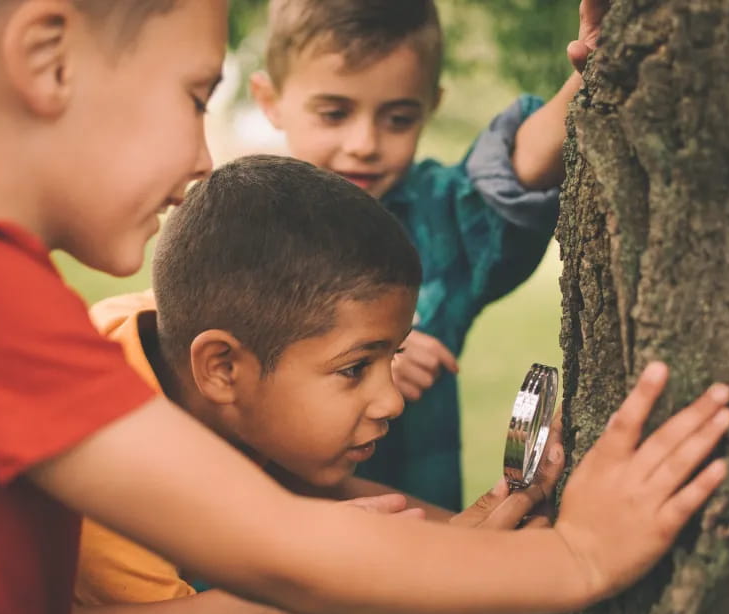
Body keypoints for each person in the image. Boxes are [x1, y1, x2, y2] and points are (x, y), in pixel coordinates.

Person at [0, 1, 729, 614]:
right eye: (194, 97)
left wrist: (467, 551)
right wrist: (578, 558)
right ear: (47, 60)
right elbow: (274, 542)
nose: (201, 159)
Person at [64, 154, 559, 614]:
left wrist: (488, 546)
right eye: (355, 368)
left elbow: (286, 481)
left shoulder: (175, 345)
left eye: (392, 356)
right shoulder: (111, 515)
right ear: (221, 367)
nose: (392, 401)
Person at [250, 0, 598, 511]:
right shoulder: (240, 234)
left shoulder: (435, 221)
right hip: (268, 546)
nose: (365, 143)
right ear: (270, 100)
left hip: (420, 546)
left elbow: (516, 173)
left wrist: (593, 72)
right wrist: (369, 359)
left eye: (398, 118)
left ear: (431, 105)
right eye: (334, 113)